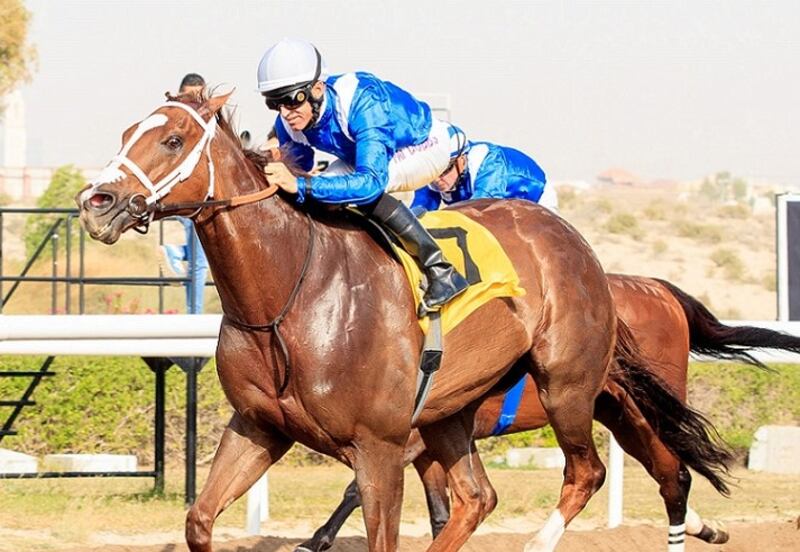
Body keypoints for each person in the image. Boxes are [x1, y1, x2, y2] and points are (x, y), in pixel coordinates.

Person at [257, 38, 469, 316]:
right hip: (365, 156)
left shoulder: (361, 100)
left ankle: (440, 270)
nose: (285, 112)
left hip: (424, 145)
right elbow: (299, 165)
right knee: (317, 195)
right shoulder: (288, 120)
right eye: (274, 103)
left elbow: (371, 183)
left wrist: (299, 183)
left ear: (317, 88)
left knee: (348, 190)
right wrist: (272, 163)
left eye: (291, 99)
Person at [160, 73, 210, 314]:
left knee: (202, 259)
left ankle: (177, 252)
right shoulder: (180, 127)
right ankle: (194, 317)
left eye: (199, 97)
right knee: (200, 264)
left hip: (195, 198)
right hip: (189, 199)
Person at [412, 133, 558, 213]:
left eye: (444, 171)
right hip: (497, 208)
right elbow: (420, 210)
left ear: (461, 160)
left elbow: (479, 208)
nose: (437, 179)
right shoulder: (430, 174)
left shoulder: (487, 161)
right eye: (433, 173)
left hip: (535, 198)